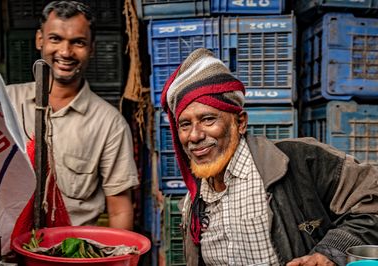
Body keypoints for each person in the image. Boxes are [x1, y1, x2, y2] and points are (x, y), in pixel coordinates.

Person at [161, 48, 378, 265]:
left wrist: (330, 252)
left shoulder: (298, 161)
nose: (195, 135)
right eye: (185, 124)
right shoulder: (194, 201)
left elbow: (371, 202)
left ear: (240, 123)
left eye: (208, 119)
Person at [5, 1, 139, 230]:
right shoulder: (5, 103)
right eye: (55, 39)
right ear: (40, 40)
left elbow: (119, 209)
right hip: (5, 254)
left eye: (78, 42)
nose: (65, 52)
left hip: (69, 252)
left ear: (92, 48)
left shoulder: (109, 124)